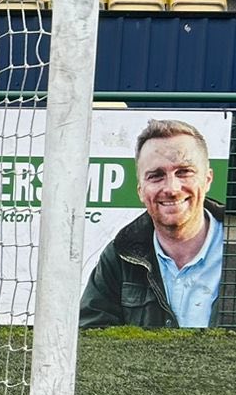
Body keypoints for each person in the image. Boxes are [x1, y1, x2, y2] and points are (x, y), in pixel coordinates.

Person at [79, 120, 226, 329]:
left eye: (184, 172)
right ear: (140, 190)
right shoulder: (120, 255)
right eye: (156, 176)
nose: (172, 189)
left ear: (208, 179)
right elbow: (90, 332)